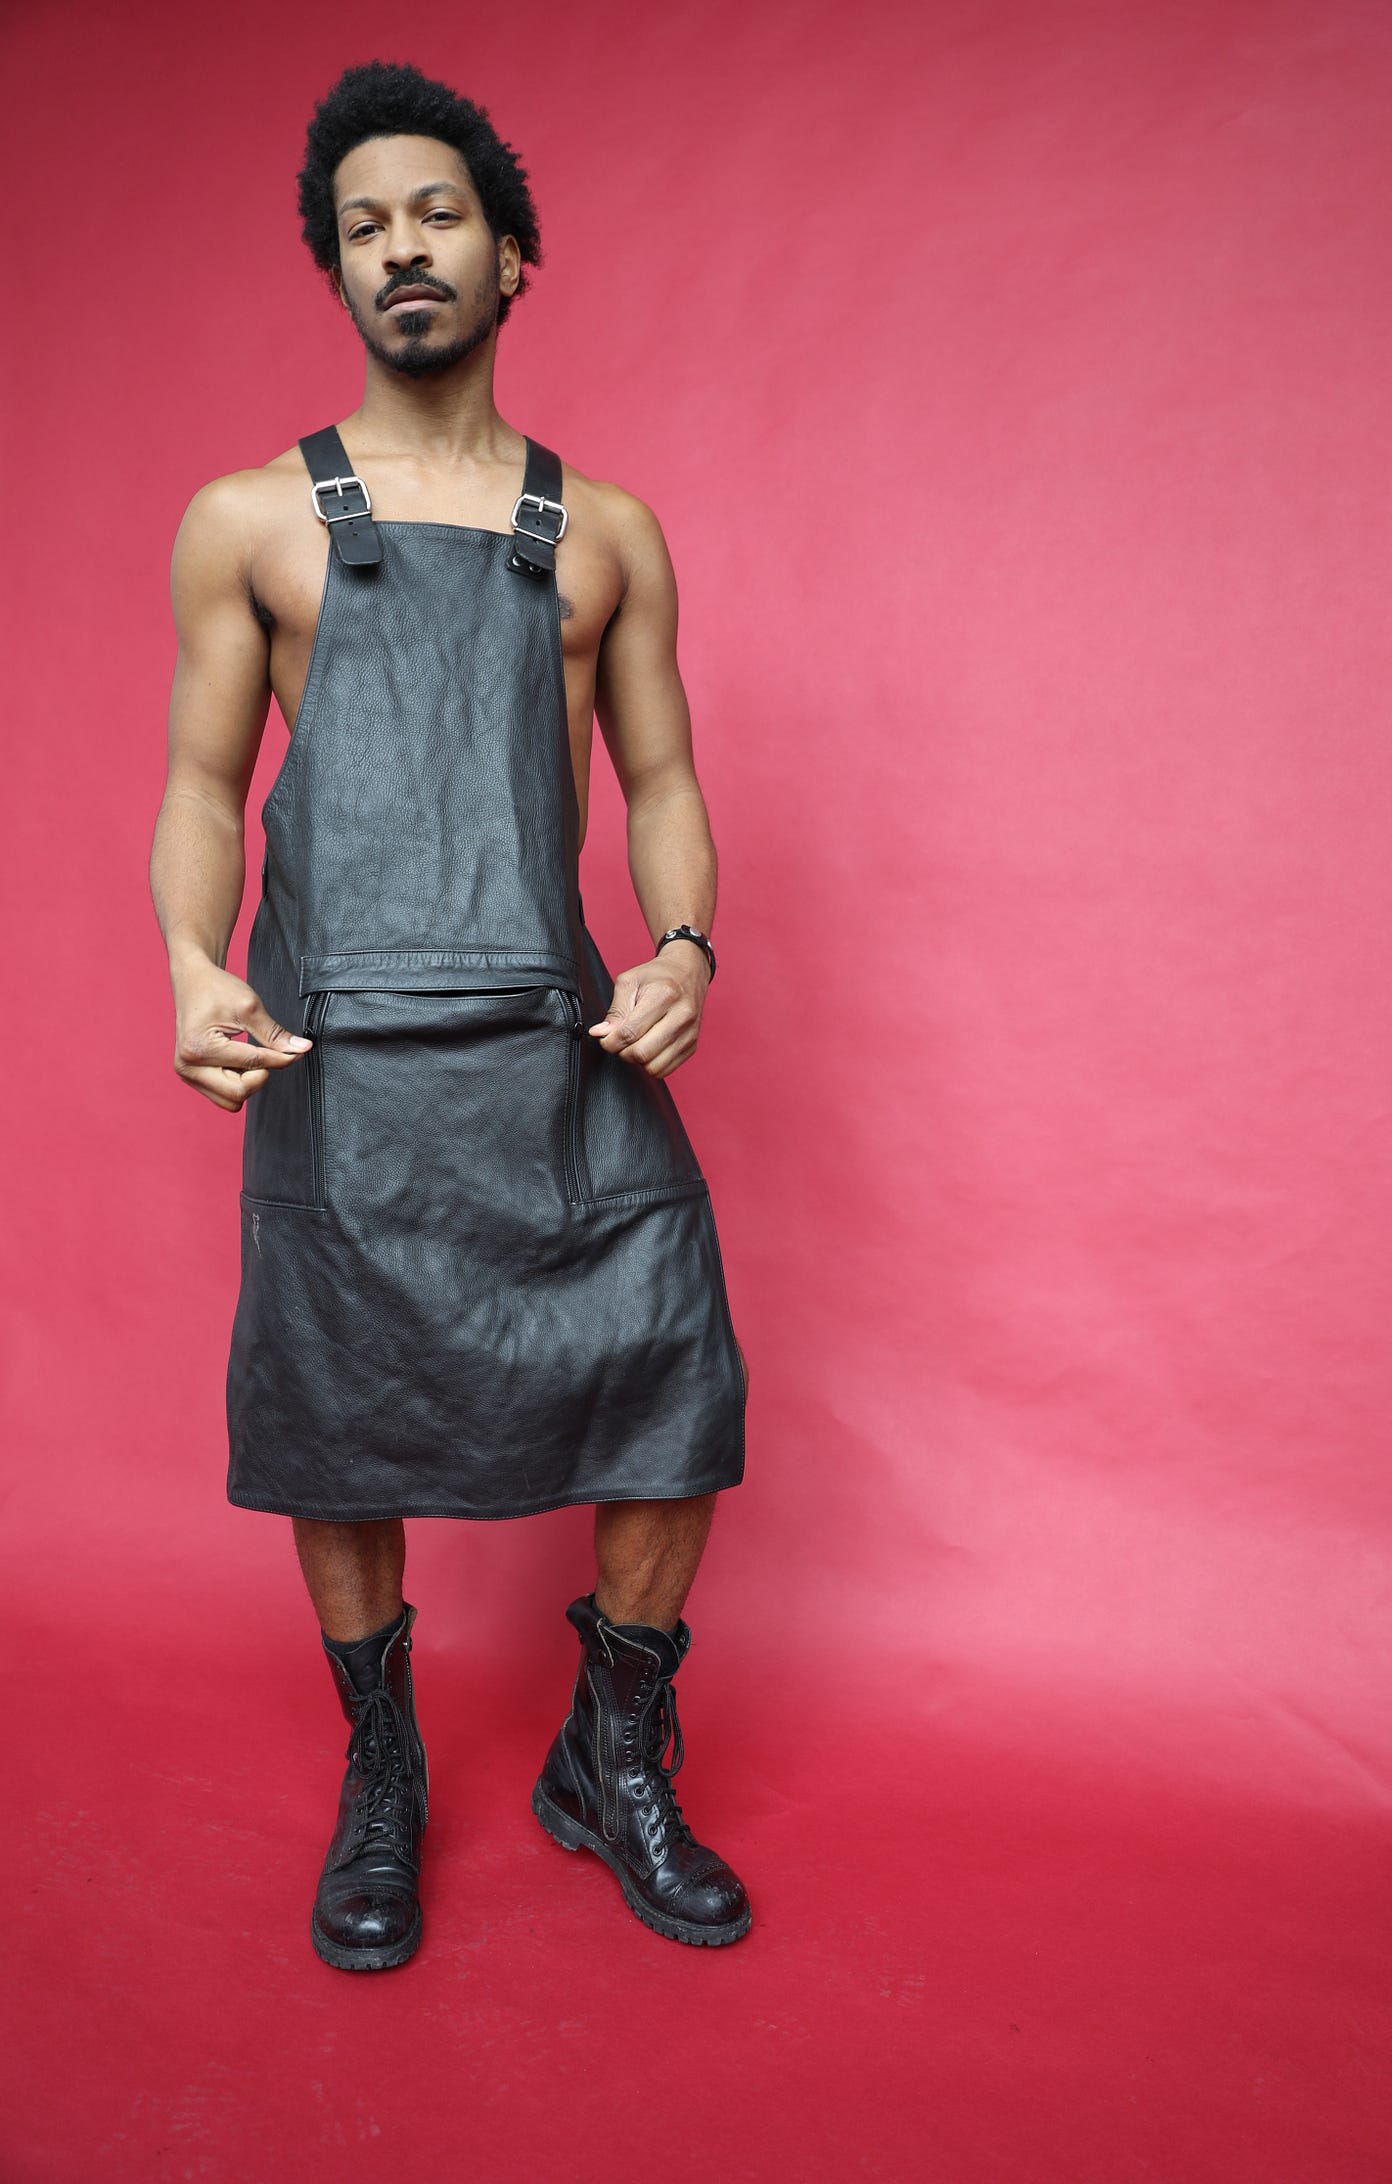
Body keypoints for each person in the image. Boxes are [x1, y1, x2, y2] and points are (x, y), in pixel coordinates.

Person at [149, 59, 752, 1971]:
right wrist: (189, 962)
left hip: (561, 1051)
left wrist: (680, 949)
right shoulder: (247, 518)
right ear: (337, 272)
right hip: (341, 1064)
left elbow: (660, 778)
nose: (400, 249)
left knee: (675, 1385)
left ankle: (616, 1746)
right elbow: (199, 788)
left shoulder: (608, 533)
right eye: (362, 228)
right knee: (334, 1426)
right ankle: (384, 1762)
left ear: (511, 254)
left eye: (435, 216)